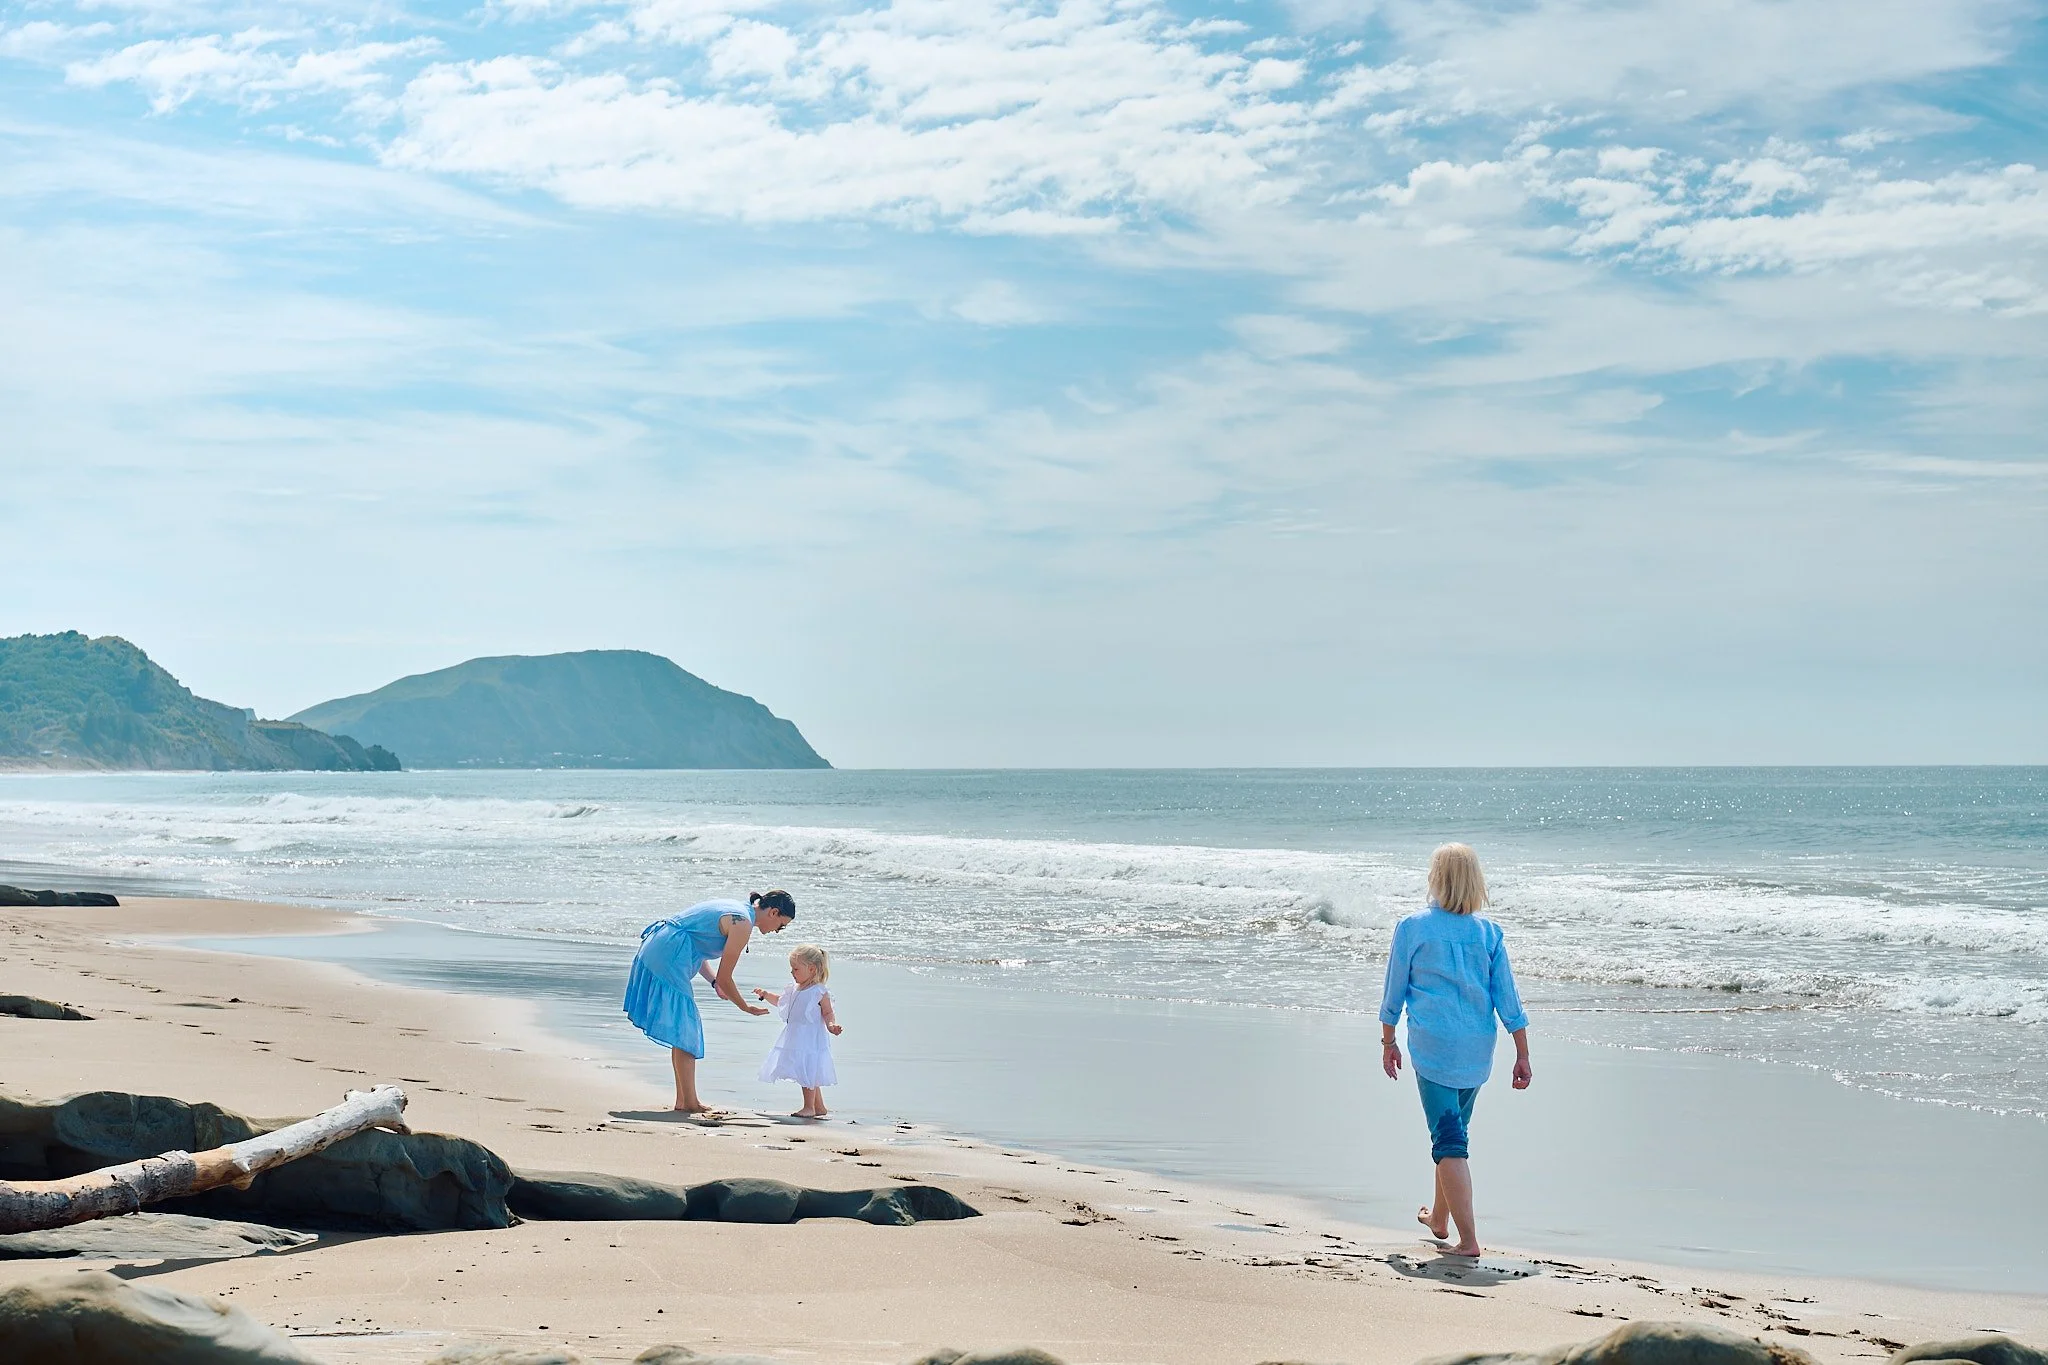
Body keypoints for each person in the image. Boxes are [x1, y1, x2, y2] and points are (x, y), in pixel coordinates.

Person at [1379, 843, 1531, 1259]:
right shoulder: (1488, 933)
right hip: (1478, 1050)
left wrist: (1388, 1039)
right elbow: (1508, 999)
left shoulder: (1413, 927)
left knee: (1449, 1143)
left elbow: (1394, 989)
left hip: (1435, 1049)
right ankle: (1440, 1221)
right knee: (1453, 1137)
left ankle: (1468, 1240)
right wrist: (1522, 1053)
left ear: (1436, 879)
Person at [624, 889, 795, 1113]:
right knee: (686, 1029)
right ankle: (689, 1102)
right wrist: (745, 1006)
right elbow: (726, 976)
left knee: (682, 1029)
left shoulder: (738, 909)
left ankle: (684, 1101)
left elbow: (697, 945)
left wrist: (714, 982)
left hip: (661, 945)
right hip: (668, 953)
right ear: (774, 912)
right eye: (781, 925)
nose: (778, 931)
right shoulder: (742, 923)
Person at [752, 944, 842, 1118]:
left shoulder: (819, 991)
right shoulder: (794, 988)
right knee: (810, 1072)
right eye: (791, 968)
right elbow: (780, 1001)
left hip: (810, 1037)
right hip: (795, 1036)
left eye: (795, 969)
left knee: (807, 1070)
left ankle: (809, 1107)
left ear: (811, 969)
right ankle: (819, 1107)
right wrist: (765, 994)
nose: (792, 972)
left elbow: (828, 1012)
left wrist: (832, 1026)